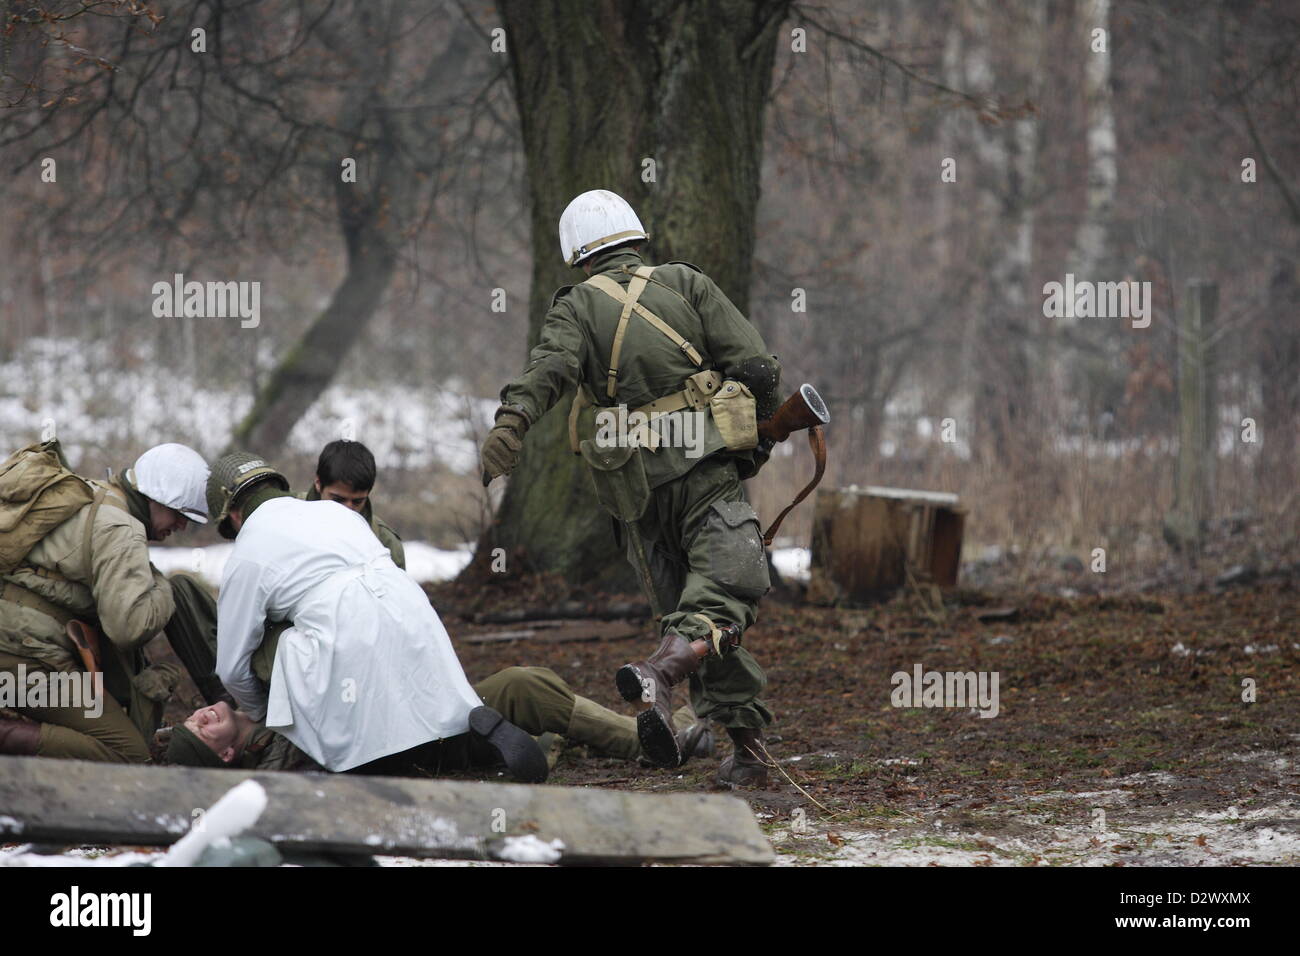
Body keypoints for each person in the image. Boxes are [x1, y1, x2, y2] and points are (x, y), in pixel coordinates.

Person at [480, 189, 783, 786]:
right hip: (704, 467)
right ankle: (666, 680)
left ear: (577, 254)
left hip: (633, 492)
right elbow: (756, 367)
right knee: (723, 596)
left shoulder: (575, 307)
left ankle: (739, 751)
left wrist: (512, 422)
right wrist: (759, 440)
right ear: (637, 237)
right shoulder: (685, 284)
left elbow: (550, 370)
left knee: (687, 617)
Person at [203, 451, 546, 779]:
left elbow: (232, 667)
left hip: (341, 620)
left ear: (233, 514)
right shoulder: (333, 513)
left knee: (277, 645)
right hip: (412, 607)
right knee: (427, 705)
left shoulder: (248, 552)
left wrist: (262, 714)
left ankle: (345, 755)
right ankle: (467, 740)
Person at [0, 441, 209, 762]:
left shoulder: (93, 493)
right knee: (128, 754)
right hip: (22, 660)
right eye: (178, 513)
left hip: (19, 647)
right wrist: (166, 588)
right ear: (154, 497)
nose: (182, 525)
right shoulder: (121, 529)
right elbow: (128, 628)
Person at [166, 665, 713, 773]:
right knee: (525, 690)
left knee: (530, 684)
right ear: (227, 755)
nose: (201, 712)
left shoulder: (251, 693)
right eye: (201, 729)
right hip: (433, 741)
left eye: (195, 716)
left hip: (422, 708)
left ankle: (678, 721)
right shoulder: (276, 763)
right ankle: (666, 743)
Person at [303, 438, 405, 570]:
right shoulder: (285, 517)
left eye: (357, 501)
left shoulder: (385, 542)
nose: (348, 509)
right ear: (318, 483)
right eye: (338, 499)